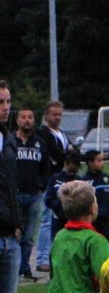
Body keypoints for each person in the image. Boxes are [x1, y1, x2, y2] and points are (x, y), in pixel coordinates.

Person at [0, 79, 24, 293]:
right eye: (0, 103)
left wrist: (18, 224)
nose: (6, 108)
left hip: (9, 235)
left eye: (7, 102)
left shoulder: (9, 140)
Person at [13, 107, 50, 281]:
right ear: (17, 120)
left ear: (34, 121)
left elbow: (45, 167)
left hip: (34, 194)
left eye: (30, 117)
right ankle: (12, 268)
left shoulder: (39, 143)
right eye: (23, 117)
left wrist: (42, 184)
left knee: (28, 235)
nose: (26, 120)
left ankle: (24, 268)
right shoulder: (10, 141)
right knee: (13, 232)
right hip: (14, 194)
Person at [36, 100, 72, 273]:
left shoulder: (62, 134)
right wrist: (64, 157)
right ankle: (42, 257)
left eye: (59, 114)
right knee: (47, 219)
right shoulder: (44, 133)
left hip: (64, 180)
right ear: (46, 115)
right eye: (54, 114)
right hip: (51, 180)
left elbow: (70, 153)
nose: (57, 118)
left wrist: (66, 156)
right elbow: (56, 154)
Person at [44, 149, 82, 240]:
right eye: (71, 170)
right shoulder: (55, 178)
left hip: (75, 220)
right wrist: (60, 201)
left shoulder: (80, 180)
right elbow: (48, 200)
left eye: (75, 170)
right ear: (65, 164)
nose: (72, 173)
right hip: (58, 220)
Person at [81, 150, 109, 249]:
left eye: (102, 160)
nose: (102, 163)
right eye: (98, 160)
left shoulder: (106, 178)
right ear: (90, 163)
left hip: (105, 220)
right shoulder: (84, 180)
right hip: (92, 220)